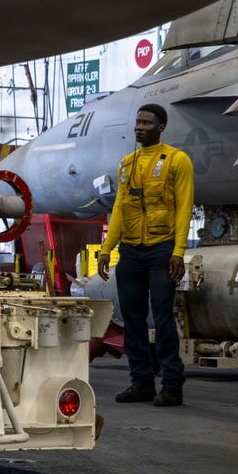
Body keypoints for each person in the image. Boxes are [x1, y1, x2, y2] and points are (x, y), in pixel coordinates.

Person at [97, 103, 194, 407]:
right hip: (130, 252)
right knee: (132, 319)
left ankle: (172, 385)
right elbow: (119, 210)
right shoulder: (127, 164)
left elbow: (184, 208)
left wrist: (178, 251)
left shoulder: (178, 161)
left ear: (162, 127)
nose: (140, 127)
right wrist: (106, 249)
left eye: (147, 123)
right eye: (138, 122)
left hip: (162, 249)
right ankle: (141, 382)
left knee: (163, 316)